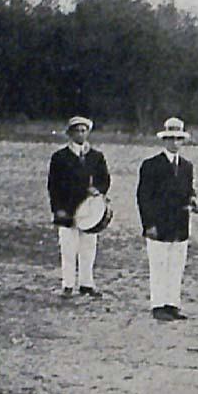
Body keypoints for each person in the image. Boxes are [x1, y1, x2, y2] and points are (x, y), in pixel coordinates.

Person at [136, 117, 198, 321]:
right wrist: (149, 224)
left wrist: (194, 200)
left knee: (176, 265)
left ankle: (172, 304)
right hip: (159, 223)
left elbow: (188, 191)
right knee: (159, 265)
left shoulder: (187, 166)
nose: (174, 142)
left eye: (178, 139)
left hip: (180, 223)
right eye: (171, 138)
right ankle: (158, 305)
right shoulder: (151, 165)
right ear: (164, 140)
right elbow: (143, 197)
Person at [47, 116, 111, 298]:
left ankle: (86, 283)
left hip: (89, 210)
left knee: (89, 247)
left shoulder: (96, 157)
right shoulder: (59, 157)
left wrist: (98, 191)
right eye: (77, 130)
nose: (81, 134)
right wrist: (57, 208)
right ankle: (68, 284)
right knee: (68, 248)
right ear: (70, 133)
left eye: (84, 130)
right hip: (67, 209)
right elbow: (53, 186)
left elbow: (105, 179)